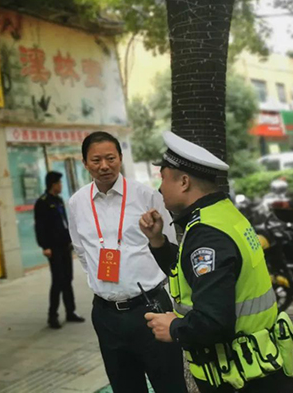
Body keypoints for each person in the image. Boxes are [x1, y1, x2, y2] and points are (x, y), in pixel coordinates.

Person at [141, 131, 293, 392]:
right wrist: (157, 241)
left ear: (183, 182)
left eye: (163, 178)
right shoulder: (223, 215)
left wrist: (175, 328)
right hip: (261, 369)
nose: (160, 188)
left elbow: (214, 322)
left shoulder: (207, 234)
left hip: (240, 380)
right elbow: (191, 274)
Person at [68, 131, 187, 393]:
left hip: (150, 307)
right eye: (96, 160)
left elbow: (168, 247)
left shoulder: (146, 196)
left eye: (110, 158)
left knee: (170, 385)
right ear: (85, 163)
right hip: (106, 314)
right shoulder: (77, 203)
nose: (104, 166)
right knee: (124, 386)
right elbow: (81, 250)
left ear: (120, 158)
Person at [34, 171, 85, 329]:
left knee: (67, 279)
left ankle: (70, 311)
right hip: (53, 247)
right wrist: (45, 246)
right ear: (52, 184)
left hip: (64, 245)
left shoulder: (59, 200)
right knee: (57, 281)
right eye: (59, 183)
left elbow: (64, 222)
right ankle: (52, 315)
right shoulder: (42, 202)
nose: (61, 186)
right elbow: (40, 227)